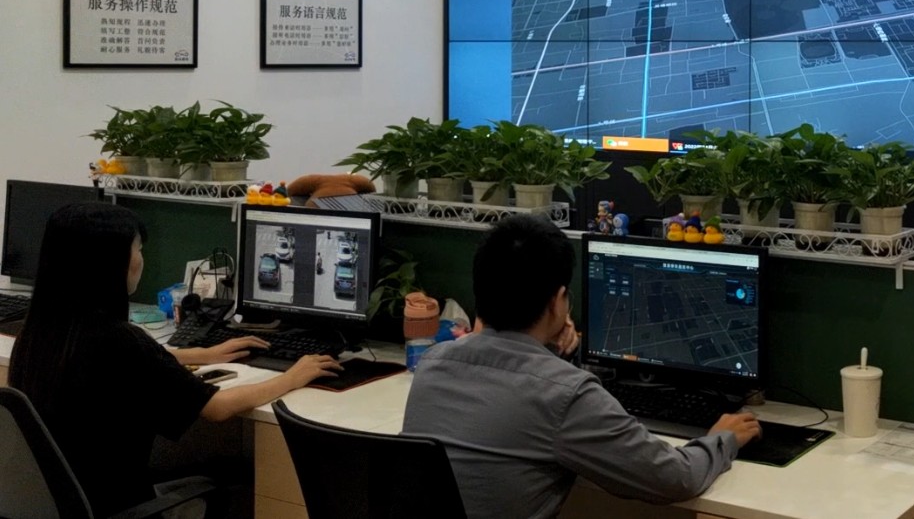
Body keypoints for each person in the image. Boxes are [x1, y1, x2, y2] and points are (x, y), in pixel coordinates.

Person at [403, 215, 760, 518]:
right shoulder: (566, 394)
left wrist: (551, 355)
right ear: (559, 302)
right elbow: (675, 479)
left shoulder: (433, 364)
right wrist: (721, 438)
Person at [9, 204, 341, 517]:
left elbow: (119, 360)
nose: (142, 259)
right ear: (111, 262)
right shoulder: (122, 342)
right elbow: (217, 407)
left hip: (67, 504)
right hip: (121, 507)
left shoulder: (38, 333)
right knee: (238, 479)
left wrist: (202, 354)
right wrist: (293, 376)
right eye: (138, 249)